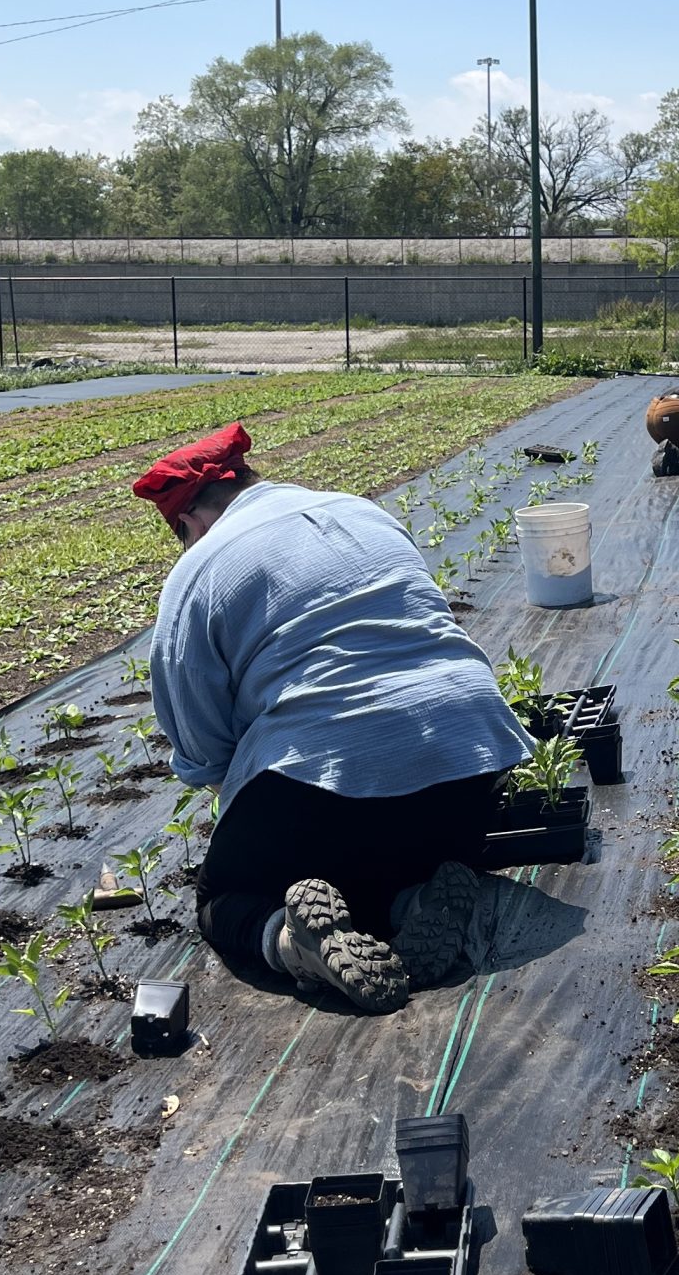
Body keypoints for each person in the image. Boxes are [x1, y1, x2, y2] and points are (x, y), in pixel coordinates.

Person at [137, 421, 533, 1013]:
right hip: (471, 757)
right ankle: (411, 900)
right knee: (396, 847)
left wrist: (257, 812)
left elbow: (203, 748)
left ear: (188, 522)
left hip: (325, 777)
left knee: (228, 898)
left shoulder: (198, 570)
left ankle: (293, 945)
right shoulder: (361, 513)